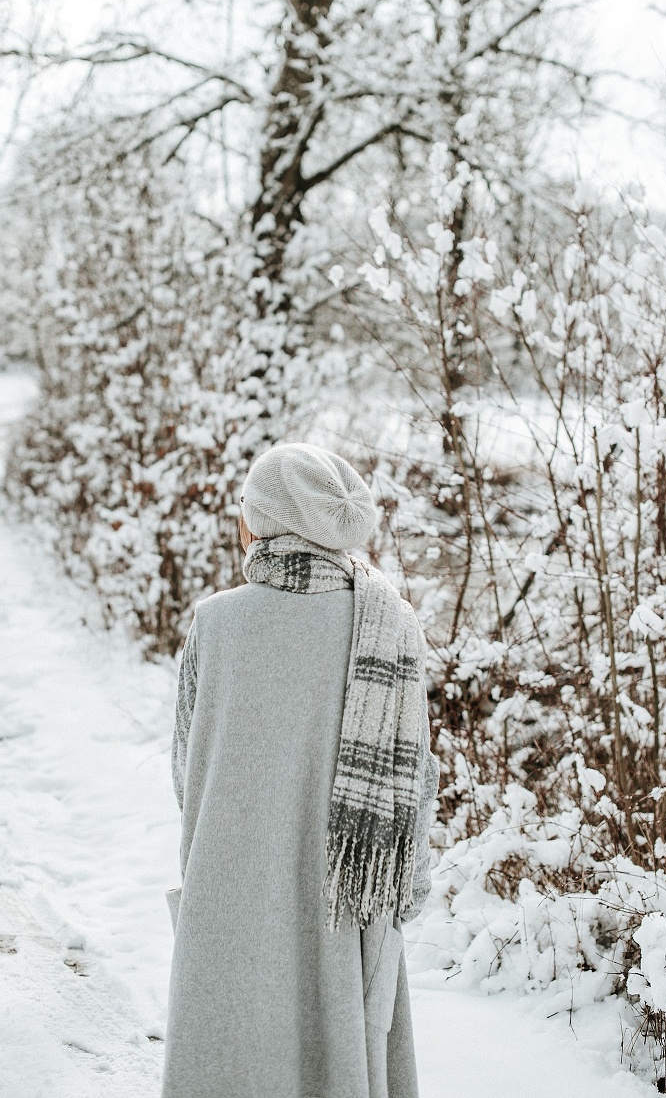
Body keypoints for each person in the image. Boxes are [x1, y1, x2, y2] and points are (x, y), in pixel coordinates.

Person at [161, 442, 440, 1098]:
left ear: (264, 522)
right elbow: (418, 787)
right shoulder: (390, 628)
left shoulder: (215, 625)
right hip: (344, 912)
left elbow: (185, 772)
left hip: (227, 899)